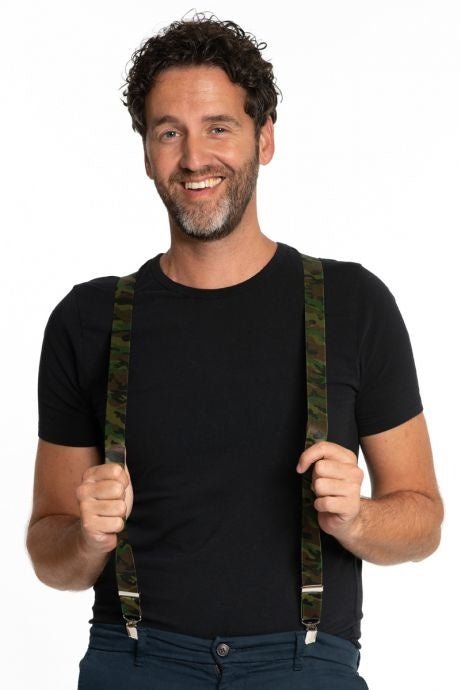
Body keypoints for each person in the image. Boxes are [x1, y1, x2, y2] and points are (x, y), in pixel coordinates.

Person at [27, 14, 443, 690]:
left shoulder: (352, 303)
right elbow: (50, 555)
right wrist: (85, 538)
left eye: (218, 127)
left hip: (304, 664)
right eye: (169, 133)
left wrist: (359, 517)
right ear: (146, 152)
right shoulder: (88, 319)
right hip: (135, 662)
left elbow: (422, 520)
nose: (195, 158)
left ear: (264, 138)